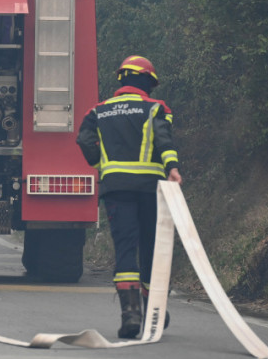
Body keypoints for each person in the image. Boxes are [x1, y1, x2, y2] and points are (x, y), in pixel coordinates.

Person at [76, 55, 182, 339]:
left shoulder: (98, 111)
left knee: (125, 248)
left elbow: (84, 139)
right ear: (147, 81)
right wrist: (172, 168)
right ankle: (152, 310)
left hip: (116, 189)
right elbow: (164, 141)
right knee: (150, 248)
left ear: (123, 79)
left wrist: (101, 164)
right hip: (150, 190)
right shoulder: (155, 108)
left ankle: (131, 315)